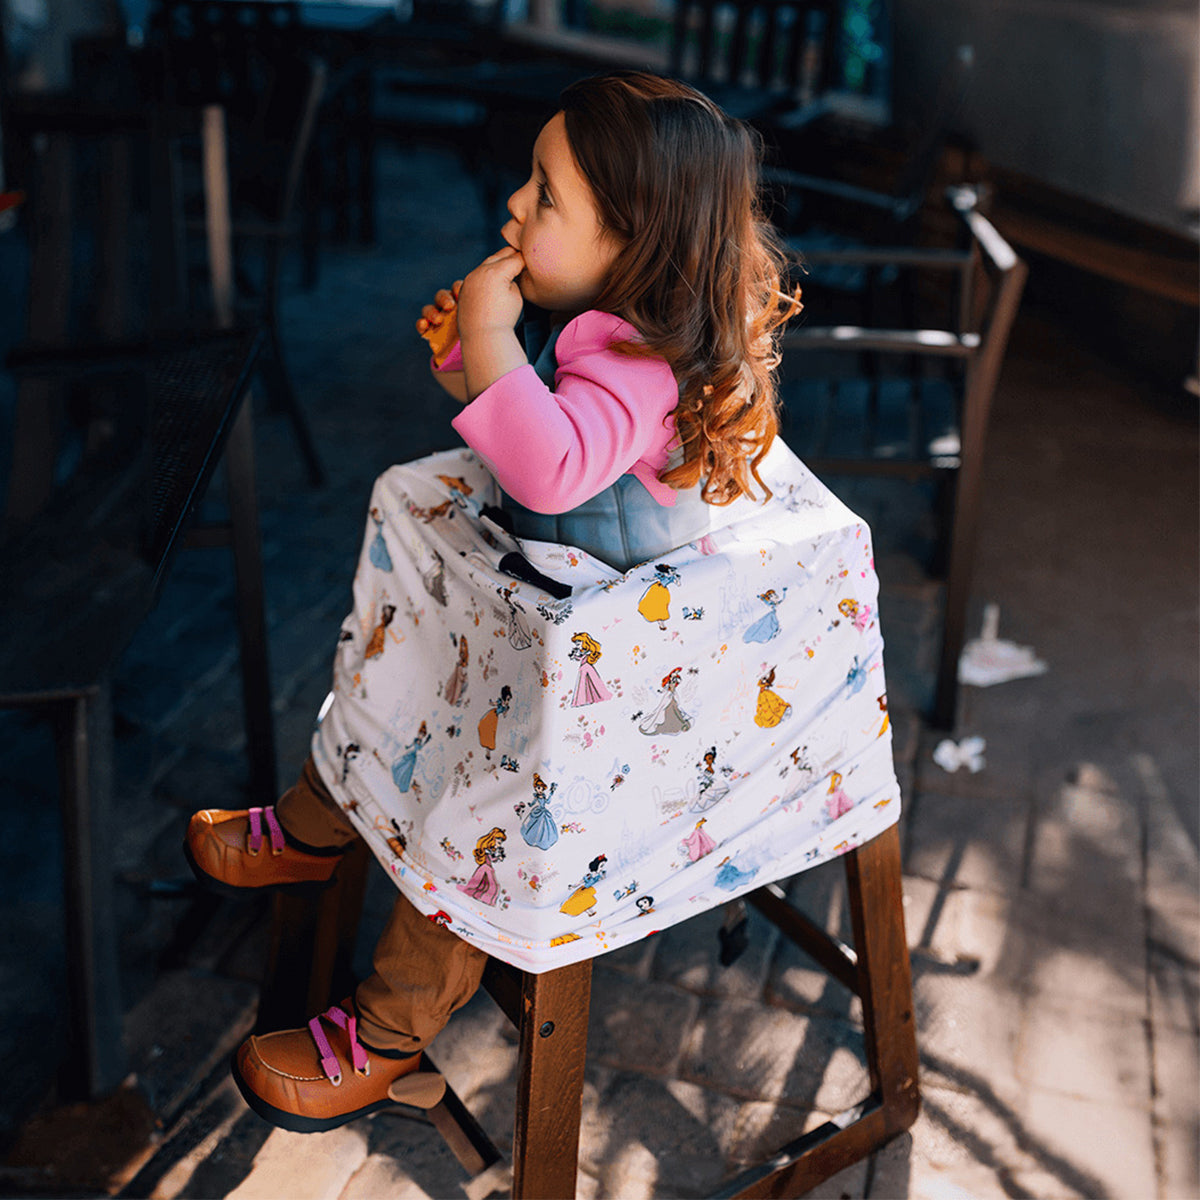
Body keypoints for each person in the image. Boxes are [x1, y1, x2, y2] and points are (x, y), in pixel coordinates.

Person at [184, 70, 808, 1133]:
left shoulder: (641, 367)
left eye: (547, 195)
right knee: (402, 670)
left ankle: (387, 1036)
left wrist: (488, 339)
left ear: (637, 238)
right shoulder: (612, 327)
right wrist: (469, 358)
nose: (515, 207)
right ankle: (319, 817)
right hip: (540, 597)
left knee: (484, 815)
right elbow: (532, 432)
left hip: (587, 674)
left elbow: (554, 470)